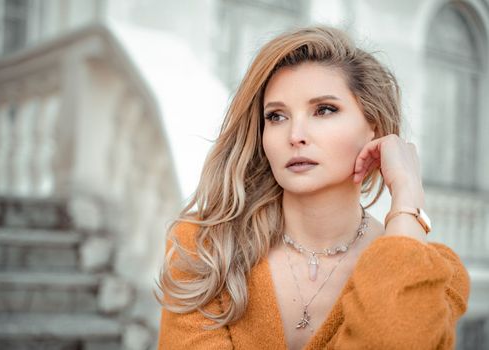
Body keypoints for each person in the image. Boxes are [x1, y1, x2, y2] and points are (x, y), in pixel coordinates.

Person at [154, 26, 470, 350]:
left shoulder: (434, 277)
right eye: (276, 116)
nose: (295, 135)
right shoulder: (204, 248)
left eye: (324, 110)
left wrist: (406, 199)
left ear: (373, 127)